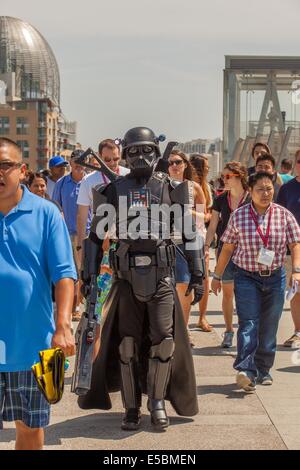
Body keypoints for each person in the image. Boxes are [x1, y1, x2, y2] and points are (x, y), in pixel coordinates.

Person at [77, 127, 204, 431]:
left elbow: (189, 234)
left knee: (164, 342)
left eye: (146, 150)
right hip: (126, 278)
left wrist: (199, 274)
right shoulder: (113, 190)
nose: (140, 157)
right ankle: (131, 407)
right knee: (127, 345)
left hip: (161, 278)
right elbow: (95, 237)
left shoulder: (172, 188)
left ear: (156, 152)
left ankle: (157, 402)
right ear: (125, 154)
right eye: (133, 151)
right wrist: (89, 275)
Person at [0, 138, 77, 450]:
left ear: (22, 170)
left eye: (5, 165)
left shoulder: (47, 214)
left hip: (33, 346)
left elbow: (64, 275)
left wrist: (63, 326)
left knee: (30, 430)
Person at [211, 172, 300, 392]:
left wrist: (297, 270)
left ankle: (263, 370)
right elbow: (227, 248)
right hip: (246, 277)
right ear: (250, 191)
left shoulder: (284, 215)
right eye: (260, 189)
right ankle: (246, 370)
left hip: (276, 277)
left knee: (269, 327)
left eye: (269, 188)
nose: (265, 193)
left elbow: (295, 244)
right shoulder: (239, 216)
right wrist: (216, 276)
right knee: (249, 322)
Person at [205, 162, 250, 348]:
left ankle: (246, 331)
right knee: (228, 293)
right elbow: (213, 225)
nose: (223, 179)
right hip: (225, 250)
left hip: (248, 251)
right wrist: (206, 246)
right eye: (223, 176)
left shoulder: (251, 197)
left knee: (246, 294)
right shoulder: (221, 199)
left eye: (227, 176)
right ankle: (229, 330)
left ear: (239, 176)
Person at [167, 150, 206, 345]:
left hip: (186, 243)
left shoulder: (194, 188)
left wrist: (185, 211)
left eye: (178, 162)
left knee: (184, 288)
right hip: (164, 243)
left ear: (184, 165)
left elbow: (203, 218)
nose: (174, 165)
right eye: (170, 162)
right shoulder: (158, 186)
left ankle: (184, 330)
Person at [76, 139, 129, 263]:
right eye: (107, 159)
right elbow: (82, 216)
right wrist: (80, 245)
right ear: (99, 157)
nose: (112, 163)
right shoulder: (88, 180)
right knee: (101, 281)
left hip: (126, 239)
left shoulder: (129, 175)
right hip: (99, 239)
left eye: (116, 159)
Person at [52, 150, 87, 320]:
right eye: (76, 161)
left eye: (83, 160)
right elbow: (55, 207)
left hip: (89, 234)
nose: (80, 164)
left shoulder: (90, 182)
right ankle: (74, 307)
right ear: (71, 163)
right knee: (72, 272)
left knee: (86, 271)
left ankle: (82, 306)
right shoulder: (61, 183)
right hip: (67, 234)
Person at [277, 150, 300, 347]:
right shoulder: (287, 189)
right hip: (294, 248)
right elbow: (279, 217)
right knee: (296, 291)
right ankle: (298, 332)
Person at [189, 154, 213, 332]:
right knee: (188, 281)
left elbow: (202, 216)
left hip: (200, 235)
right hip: (189, 237)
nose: (208, 169)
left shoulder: (206, 187)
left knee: (204, 280)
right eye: (205, 167)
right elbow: (201, 216)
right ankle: (187, 320)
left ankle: (202, 317)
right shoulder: (190, 187)